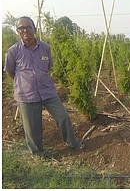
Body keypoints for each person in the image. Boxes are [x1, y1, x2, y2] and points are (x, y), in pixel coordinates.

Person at [4, 16, 84, 156]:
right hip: (26, 95)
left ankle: (73, 142)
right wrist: (25, 83)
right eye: (21, 28)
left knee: (63, 116)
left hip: (47, 92)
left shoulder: (45, 48)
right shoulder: (13, 51)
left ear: (34, 29)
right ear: (17, 31)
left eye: (28, 27)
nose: (25, 30)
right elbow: (11, 72)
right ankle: (38, 154)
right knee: (32, 128)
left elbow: (48, 68)